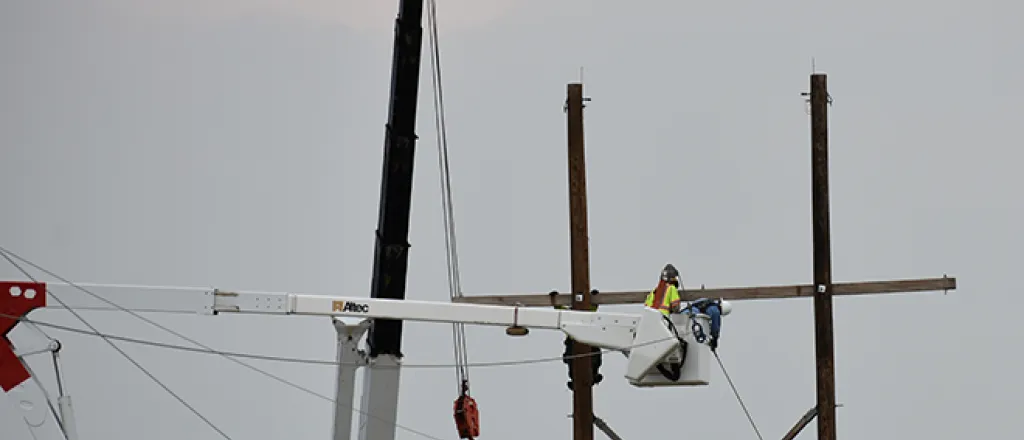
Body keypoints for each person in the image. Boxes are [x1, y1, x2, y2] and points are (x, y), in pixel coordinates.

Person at [550, 289, 603, 390]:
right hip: (583, 344)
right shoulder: (575, 316)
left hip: (580, 344)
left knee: (580, 361)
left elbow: (562, 311)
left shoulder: (574, 316)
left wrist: (555, 301)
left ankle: (583, 382)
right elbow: (591, 310)